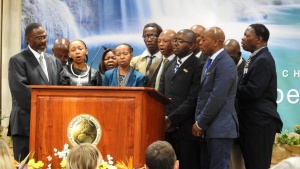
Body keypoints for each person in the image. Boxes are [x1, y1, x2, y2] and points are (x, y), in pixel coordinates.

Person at [8, 22, 63, 161]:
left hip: (50, 124)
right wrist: (45, 110)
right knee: (24, 164)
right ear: (28, 39)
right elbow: (20, 92)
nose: (43, 41)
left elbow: (61, 89)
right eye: (39, 38)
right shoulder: (18, 60)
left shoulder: (55, 61)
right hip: (25, 124)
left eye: (44, 37)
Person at [237, 23, 283, 169]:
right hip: (252, 122)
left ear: (259, 39)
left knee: (258, 165)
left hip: (260, 122)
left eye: (247, 35)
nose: (242, 38)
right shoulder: (256, 58)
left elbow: (252, 91)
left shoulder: (263, 59)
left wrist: (231, 89)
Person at [192, 27, 238, 169]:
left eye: (204, 39)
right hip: (210, 128)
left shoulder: (225, 63)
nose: (199, 42)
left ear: (217, 42)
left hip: (220, 129)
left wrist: (200, 123)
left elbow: (217, 98)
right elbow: (203, 95)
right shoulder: (210, 61)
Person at [158, 29, 202, 169]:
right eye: (175, 40)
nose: (175, 44)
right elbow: (161, 94)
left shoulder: (198, 66)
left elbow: (192, 99)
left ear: (191, 45)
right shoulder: (169, 64)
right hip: (167, 129)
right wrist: (164, 117)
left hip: (185, 129)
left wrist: (171, 119)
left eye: (180, 41)